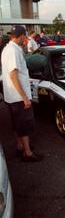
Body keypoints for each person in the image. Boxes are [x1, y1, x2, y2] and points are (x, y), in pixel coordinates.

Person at [1, 25, 43, 162]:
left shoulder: (8, 49)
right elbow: (13, 75)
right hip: (18, 97)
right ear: (20, 36)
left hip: (12, 96)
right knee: (24, 125)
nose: (25, 38)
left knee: (17, 124)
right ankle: (28, 153)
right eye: (24, 36)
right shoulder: (13, 51)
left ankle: (20, 146)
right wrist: (24, 97)